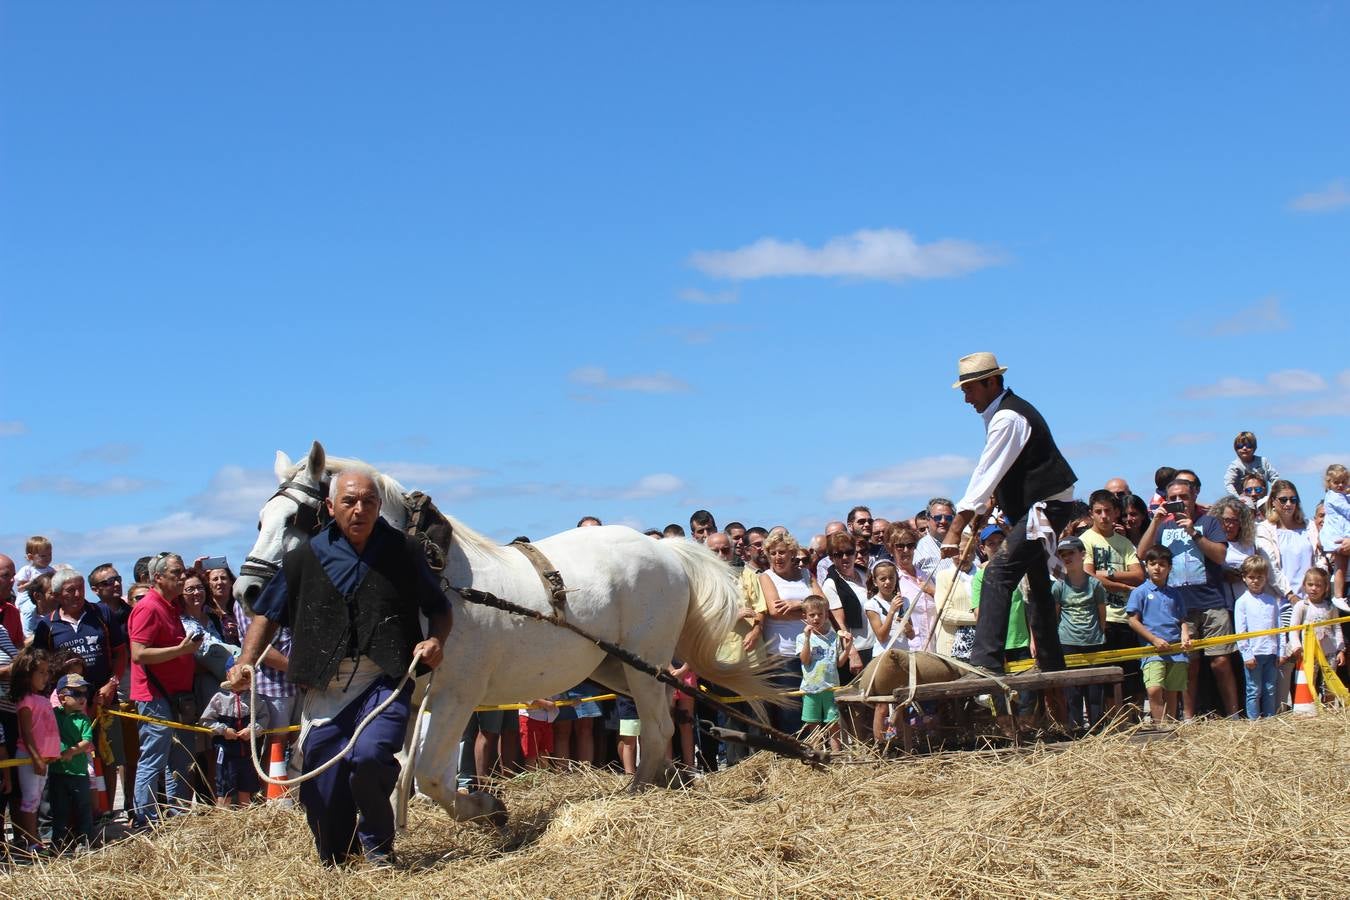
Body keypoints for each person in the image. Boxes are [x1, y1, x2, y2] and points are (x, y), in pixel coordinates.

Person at [227, 468, 451, 867]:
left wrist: (435, 640)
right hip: (323, 687)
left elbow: (439, 608)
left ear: (379, 506)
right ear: (331, 507)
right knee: (323, 791)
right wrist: (246, 662)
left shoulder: (404, 552)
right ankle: (339, 859)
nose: (359, 509)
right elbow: (267, 615)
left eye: (368, 501)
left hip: (383, 680)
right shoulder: (302, 558)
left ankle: (378, 848)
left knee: (368, 757)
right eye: (349, 501)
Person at [942, 352, 1077, 677]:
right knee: (1037, 584)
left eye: (970, 388)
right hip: (1039, 508)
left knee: (996, 574)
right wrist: (984, 514)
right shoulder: (1002, 415)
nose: (966, 398)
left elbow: (984, 474)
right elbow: (1001, 475)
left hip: (1043, 508)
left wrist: (956, 527)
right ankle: (1050, 661)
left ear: (992, 382)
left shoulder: (1007, 419)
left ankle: (986, 660)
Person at [1138, 478, 1239, 719]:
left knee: (1221, 662)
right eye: (1172, 498)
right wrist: (1155, 522)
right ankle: (1188, 718)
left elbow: (1220, 556)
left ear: (1194, 496)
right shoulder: (1163, 526)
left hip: (1212, 601)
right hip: (1179, 606)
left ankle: (1234, 715)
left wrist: (1193, 532)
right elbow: (1142, 553)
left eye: (1183, 496)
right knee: (1188, 665)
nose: (1177, 502)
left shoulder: (1209, 522)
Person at [128, 553, 199, 828]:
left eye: (183, 572)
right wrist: (180, 651)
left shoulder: (169, 605)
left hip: (176, 696)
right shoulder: (149, 607)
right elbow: (138, 654)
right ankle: (144, 819)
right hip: (155, 696)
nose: (182, 578)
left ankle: (176, 818)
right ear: (158, 577)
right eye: (176, 573)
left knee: (180, 760)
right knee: (154, 758)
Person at [1080, 489, 1144, 712]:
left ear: (1116, 512)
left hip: (1126, 617)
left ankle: (1132, 720)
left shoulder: (1124, 543)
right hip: (1100, 618)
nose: (1104, 516)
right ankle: (1112, 723)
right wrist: (1123, 586)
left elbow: (1139, 575)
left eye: (1108, 510)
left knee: (1132, 675)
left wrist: (1108, 575)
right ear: (1091, 514)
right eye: (1098, 511)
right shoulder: (1085, 540)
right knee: (1107, 677)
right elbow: (1088, 577)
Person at [759, 531, 820, 736]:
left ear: (792, 553)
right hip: (782, 651)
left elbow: (823, 605)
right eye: (773, 553)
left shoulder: (805, 575)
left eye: (782, 552)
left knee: (812, 703)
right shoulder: (766, 577)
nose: (778, 557)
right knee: (789, 709)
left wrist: (798, 605)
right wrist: (809, 612)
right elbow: (776, 612)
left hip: (811, 648)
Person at [1126, 548, 1192, 724]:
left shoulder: (1175, 594)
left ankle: (1170, 727)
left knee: (1172, 692)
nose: (1157, 568)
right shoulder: (1139, 592)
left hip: (1176, 650)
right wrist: (1154, 639)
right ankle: (1160, 727)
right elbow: (1133, 621)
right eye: (1152, 564)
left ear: (1170, 568)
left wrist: (1185, 634)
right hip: (1152, 649)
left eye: (1162, 564)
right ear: (1146, 566)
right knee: (1154, 689)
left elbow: (1182, 620)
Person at [1052, 537, 1107, 729]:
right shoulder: (1058, 586)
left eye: (1071, 553)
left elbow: (1102, 614)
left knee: (1094, 692)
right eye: (1063, 554)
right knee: (1072, 692)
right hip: (1068, 642)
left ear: (1083, 555)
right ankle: (1075, 731)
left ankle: (1097, 730)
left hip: (1093, 641)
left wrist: (1099, 634)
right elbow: (1055, 615)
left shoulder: (1096, 585)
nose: (1067, 557)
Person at [11, 646, 57, 854]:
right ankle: (30, 841)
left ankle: (34, 837)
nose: (45, 677)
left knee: (37, 799)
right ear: (27, 674)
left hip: (43, 758)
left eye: (47, 672)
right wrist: (36, 758)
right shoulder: (26, 701)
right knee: (30, 799)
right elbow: (27, 734)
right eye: (41, 672)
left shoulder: (41, 698)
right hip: (30, 758)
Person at [200, 681, 271, 807]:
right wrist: (223, 730)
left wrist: (252, 729)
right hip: (226, 752)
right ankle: (221, 818)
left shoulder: (254, 698)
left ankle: (245, 818)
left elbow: (263, 717)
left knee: (246, 787)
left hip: (247, 752)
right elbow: (206, 721)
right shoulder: (219, 697)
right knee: (225, 789)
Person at [49, 673, 96, 851]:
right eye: (77, 694)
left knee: (83, 807)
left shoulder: (83, 719)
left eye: (84, 694)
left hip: (78, 773)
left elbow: (86, 741)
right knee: (59, 809)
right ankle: (58, 843)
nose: (82, 698)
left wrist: (72, 751)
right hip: (57, 772)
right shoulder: (53, 715)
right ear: (62, 697)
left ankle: (84, 841)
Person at [1232, 556, 1284, 720]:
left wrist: (1281, 651)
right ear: (1244, 578)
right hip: (1254, 653)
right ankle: (1253, 721)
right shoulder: (1242, 602)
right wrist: (1246, 654)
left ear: (1265, 577)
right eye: (1251, 577)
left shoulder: (1271, 601)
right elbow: (1241, 631)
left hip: (1271, 652)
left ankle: (1269, 718)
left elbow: (1279, 627)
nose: (1255, 581)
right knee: (1254, 689)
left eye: (1259, 577)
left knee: (1270, 688)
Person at [796, 596, 850, 749]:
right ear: (805, 617)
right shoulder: (801, 638)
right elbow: (805, 660)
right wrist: (807, 638)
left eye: (820, 614)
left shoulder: (833, 637)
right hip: (811, 689)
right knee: (813, 724)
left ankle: (836, 754)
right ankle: (816, 754)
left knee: (833, 725)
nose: (816, 618)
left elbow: (839, 662)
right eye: (812, 615)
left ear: (826, 615)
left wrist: (848, 647)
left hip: (830, 689)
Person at [1256, 480, 1316, 604]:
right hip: (1282, 600)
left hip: (1313, 598)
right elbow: (1271, 567)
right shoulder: (1264, 529)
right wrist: (1290, 595)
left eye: (1293, 499)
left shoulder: (1309, 526)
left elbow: (1319, 558)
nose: (1288, 504)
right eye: (1283, 500)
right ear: (1273, 501)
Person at [1287, 568, 1346, 689]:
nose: (1314, 588)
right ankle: (1311, 707)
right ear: (1304, 585)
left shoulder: (1330, 607)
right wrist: (1297, 646)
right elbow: (1293, 629)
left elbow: (1337, 628)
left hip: (1329, 652)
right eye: (1310, 584)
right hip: (1309, 653)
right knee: (1309, 684)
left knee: (1330, 685)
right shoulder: (1301, 606)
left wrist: (1340, 650)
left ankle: (1327, 706)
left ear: (1326, 588)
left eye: (1318, 585)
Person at [1318, 463, 1350, 602]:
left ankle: (1339, 595)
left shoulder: (1341, 496)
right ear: (1329, 483)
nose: (1340, 485)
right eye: (1336, 482)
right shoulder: (1334, 497)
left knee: (1342, 567)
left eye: (1343, 482)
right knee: (1341, 567)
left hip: (1341, 533)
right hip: (1338, 535)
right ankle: (1338, 596)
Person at [14, 535, 55, 631]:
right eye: (43, 556)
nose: (47, 558)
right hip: (28, 596)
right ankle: (27, 631)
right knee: (30, 609)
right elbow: (20, 588)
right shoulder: (27, 570)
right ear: (30, 557)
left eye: (50, 555)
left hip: (43, 597)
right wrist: (32, 583)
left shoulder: (51, 571)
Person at [1223, 431, 1280, 498]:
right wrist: (1238, 499)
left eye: (1248, 446)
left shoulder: (1263, 461)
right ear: (1236, 449)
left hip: (1262, 500)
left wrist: (1272, 496)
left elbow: (1275, 478)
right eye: (1240, 446)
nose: (1244, 448)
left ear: (1254, 447)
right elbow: (1228, 483)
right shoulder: (1235, 466)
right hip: (1244, 502)